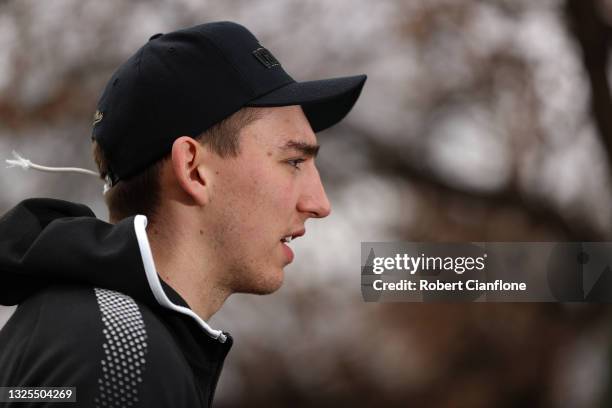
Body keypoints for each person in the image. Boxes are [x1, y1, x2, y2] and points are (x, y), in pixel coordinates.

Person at [0, 21, 366, 407]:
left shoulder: (84, 329)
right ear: (192, 168)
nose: (320, 204)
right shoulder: (123, 357)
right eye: (293, 161)